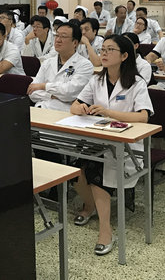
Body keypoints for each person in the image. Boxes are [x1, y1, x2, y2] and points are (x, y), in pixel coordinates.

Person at [70, 34, 153, 256]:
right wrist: (80, 109)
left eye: (110, 50)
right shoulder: (96, 80)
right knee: (73, 169)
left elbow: (144, 116)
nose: (104, 54)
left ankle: (105, 231)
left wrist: (108, 113)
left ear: (124, 56)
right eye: (103, 49)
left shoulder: (136, 83)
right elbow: (75, 105)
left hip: (125, 145)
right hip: (97, 138)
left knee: (98, 169)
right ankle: (90, 206)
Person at [28, 22, 93, 111]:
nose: (58, 40)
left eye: (63, 36)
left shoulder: (85, 65)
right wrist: (52, 96)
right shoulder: (47, 63)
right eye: (57, 35)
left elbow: (69, 93)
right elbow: (32, 91)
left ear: (75, 43)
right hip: (41, 109)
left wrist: (44, 86)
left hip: (65, 112)